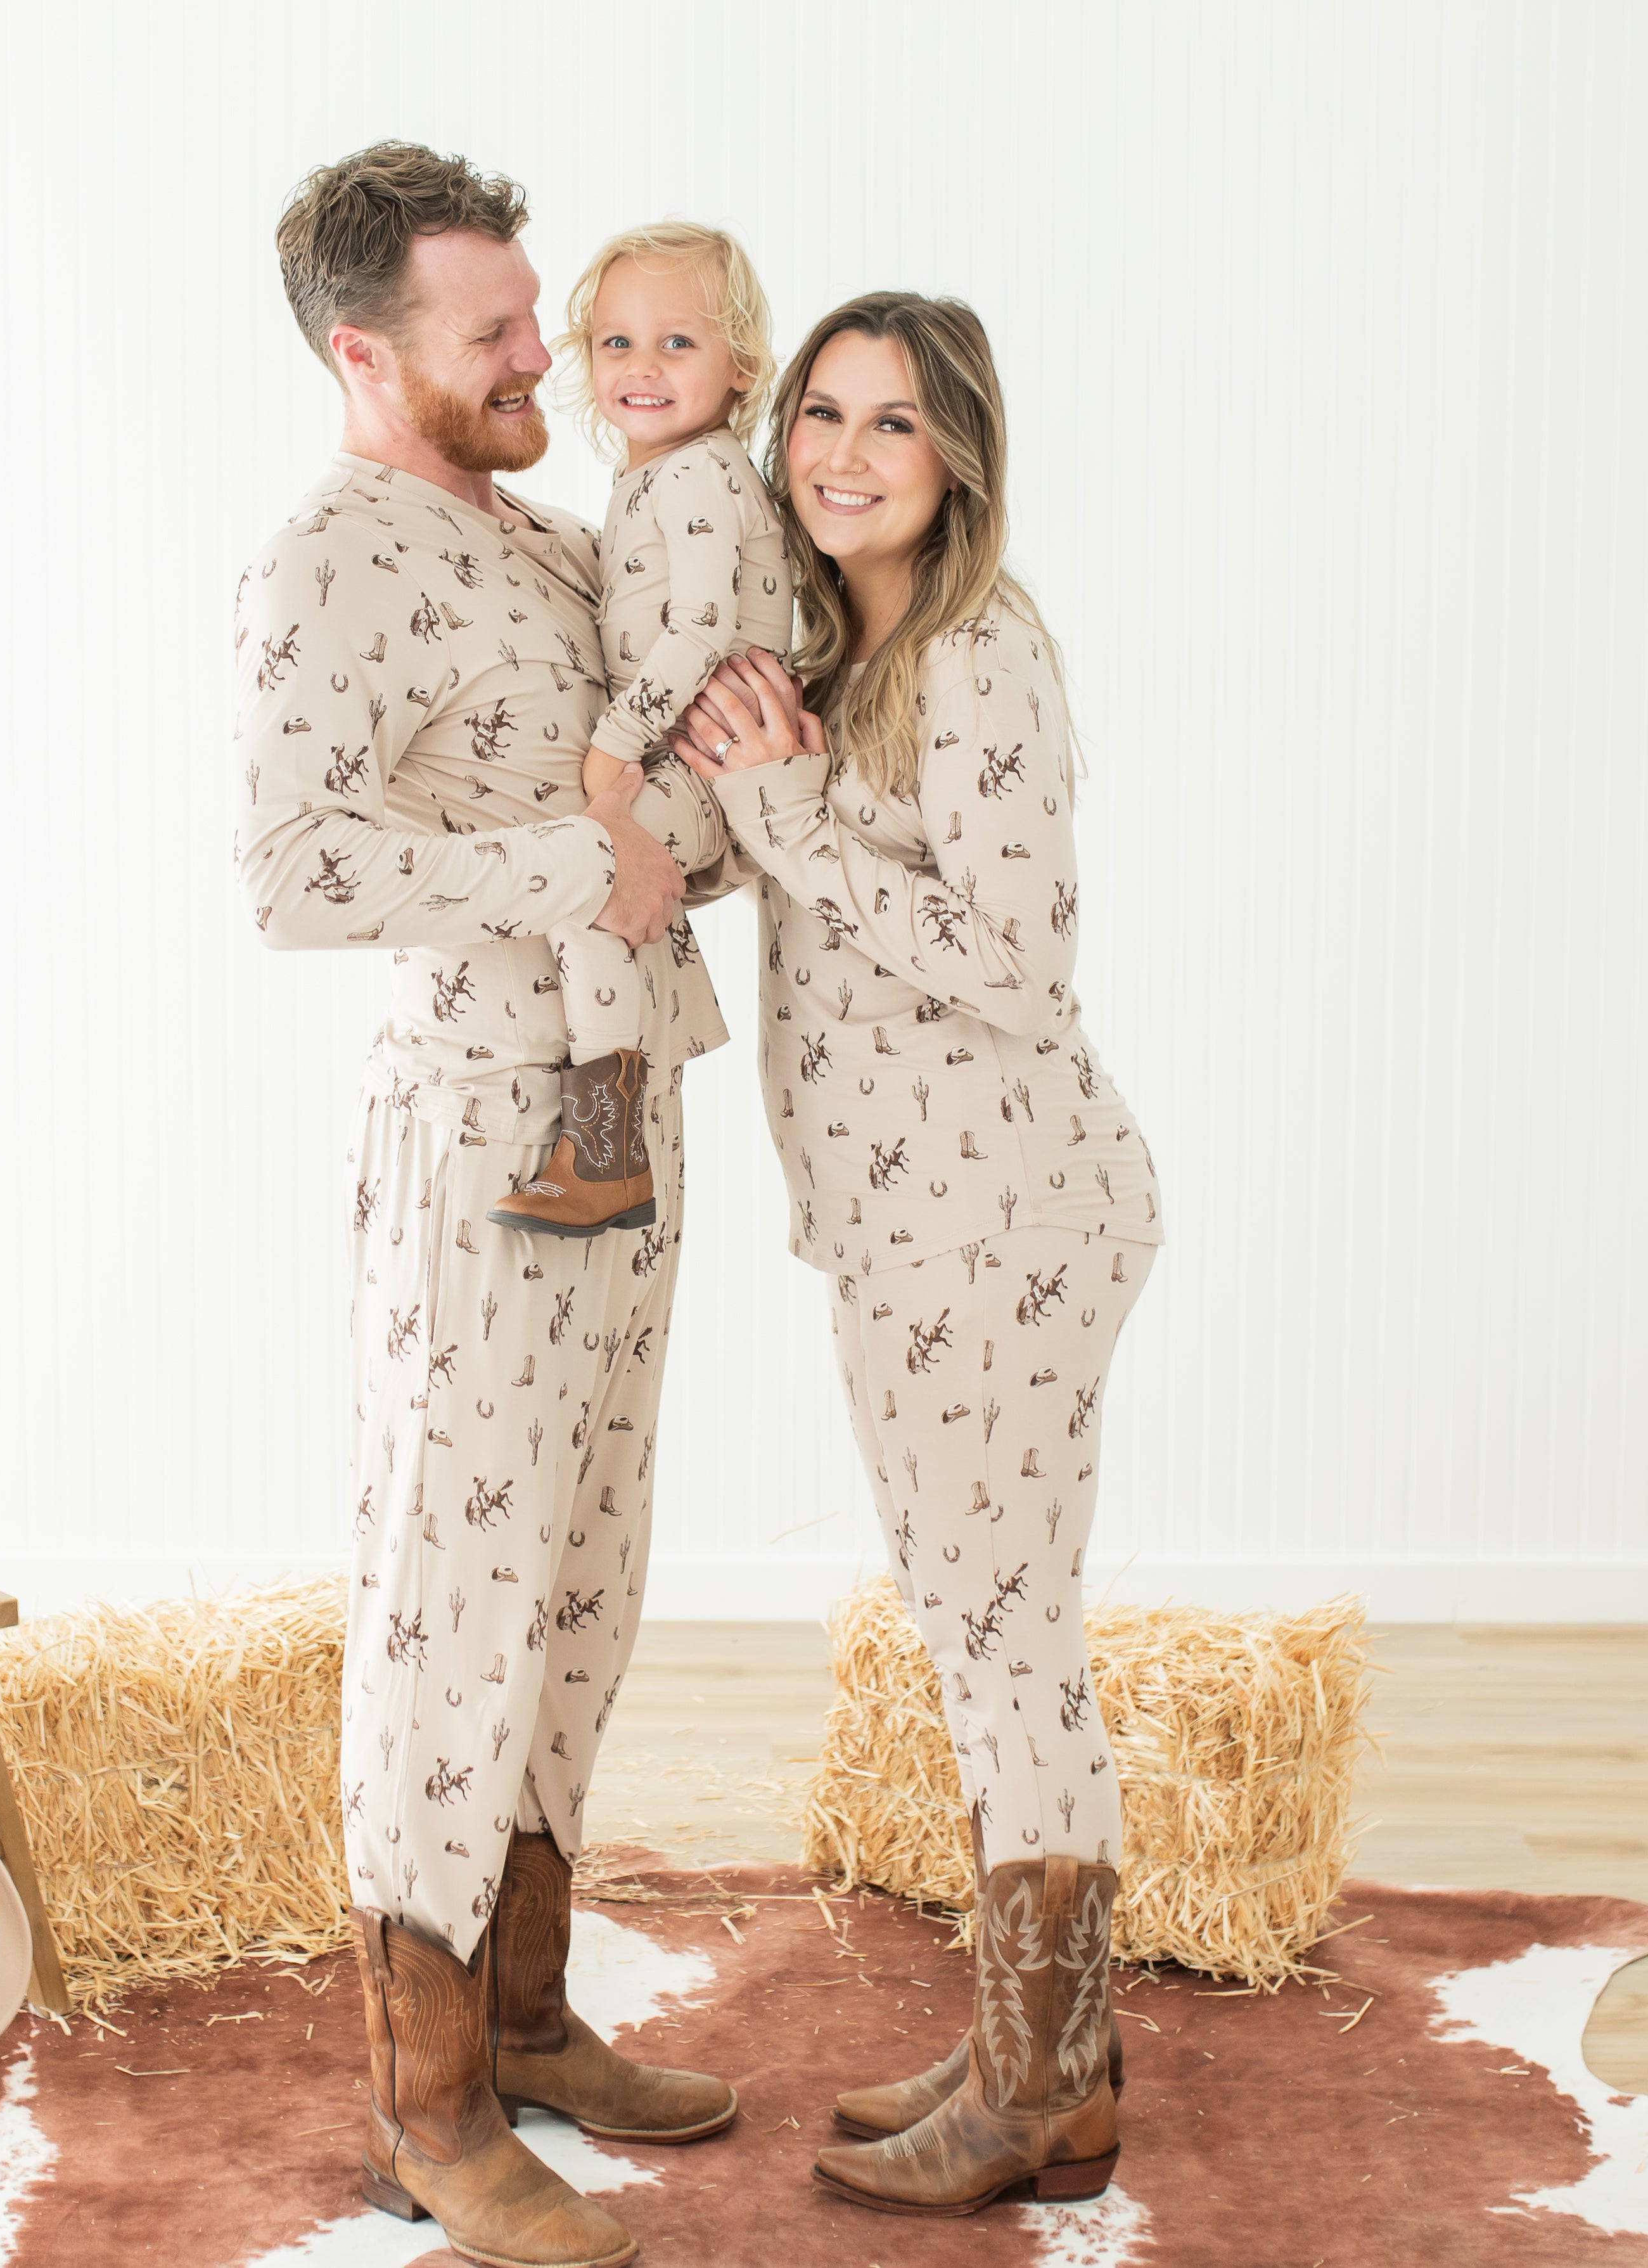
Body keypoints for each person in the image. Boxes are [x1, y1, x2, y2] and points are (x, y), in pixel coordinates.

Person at [236, 142, 739, 2268]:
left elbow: (651, 825)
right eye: (500, 334)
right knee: (452, 1601)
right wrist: (574, 865)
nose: (557, 357)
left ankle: (530, 2014)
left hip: (629, 1118)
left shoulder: (547, 539)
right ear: (367, 354)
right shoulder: (329, 564)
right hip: (476, 1141)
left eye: (542, 318)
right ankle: (430, 2107)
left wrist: (717, 796)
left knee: (585, 1583)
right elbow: (291, 874)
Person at [670, 292, 1165, 2218]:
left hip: (1002, 1222)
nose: (843, 454)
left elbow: (1019, 969)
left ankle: (1046, 2091)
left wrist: (788, 815)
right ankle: (1034, 2040)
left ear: (955, 455)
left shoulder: (977, 658)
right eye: (819, 414)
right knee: (983, 1626)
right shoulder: (841, 648)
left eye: (891, 424)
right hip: (914, 1224)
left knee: (1001, 1637)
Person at [487, 222, 791, 1238]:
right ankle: (649, 1072)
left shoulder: (700, 473)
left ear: (740, 364)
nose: (641, 367)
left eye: (678, 342)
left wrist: (618, 744)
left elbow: (700, 624)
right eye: (616, 342)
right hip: (692, 753)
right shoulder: (658, 475)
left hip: (701, 759)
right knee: (603, 891)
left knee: (588, 881)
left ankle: (607, 1159)